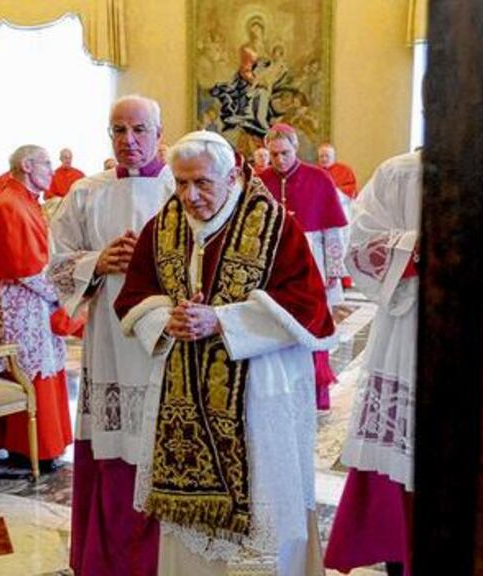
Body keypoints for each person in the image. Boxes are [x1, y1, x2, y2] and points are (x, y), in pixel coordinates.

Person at [115, 130, 336, 575]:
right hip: (183, 396)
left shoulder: (275, 226)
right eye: (180, 183)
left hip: (259, 391)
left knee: (266, 506)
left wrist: (223, 321)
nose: (189, 196)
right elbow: (137, 294)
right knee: (190, 544)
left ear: (231, 174)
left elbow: (308, 305)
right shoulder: (163, 227)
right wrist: (166, 319)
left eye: (202, 183)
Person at [49, 94, 174, 576]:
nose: (129, 141)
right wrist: (96, 263)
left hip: (165, 343)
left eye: (140, 130)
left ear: (159, 133)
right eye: (118, 131)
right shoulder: (86, 191)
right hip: (107, 341)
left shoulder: (179, 185)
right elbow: (56, 264)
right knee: (114, 453)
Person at [324, 151, 421, 576]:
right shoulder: (400, 173)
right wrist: (420, 244)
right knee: (402, 465)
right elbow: (358, 247)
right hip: (409, 330)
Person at [0, 145, 74, 467]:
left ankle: (32, 444)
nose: (52, 170)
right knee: (30, 369)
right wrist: (64, 295)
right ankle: (32, 448)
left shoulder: (23, 200)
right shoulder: (12, 204)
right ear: (27, 166)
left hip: (28, 302)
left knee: (36, 366)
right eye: (46, 163)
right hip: (22, 305)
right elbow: (28, 268)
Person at [258, 123, 348, 410]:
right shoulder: (259, 181)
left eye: (284, 153)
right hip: (272, 261)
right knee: (277, 323)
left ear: (295, 148)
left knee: (313, 323)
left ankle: (316, 390)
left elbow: (333, 228)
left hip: (313, 257)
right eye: (273, 155)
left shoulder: (319, 178)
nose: (279, 160)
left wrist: (334, 269)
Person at [317, 143, 359, 288]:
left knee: (343, 245)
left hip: (340, 214)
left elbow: (351, 189)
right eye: (321, 156)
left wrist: (332, 193)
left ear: (334, 156)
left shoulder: (344, 170)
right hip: (320, 217)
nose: (324, 158)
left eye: (327, 156)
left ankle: (345, 280)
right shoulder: (314, 172)